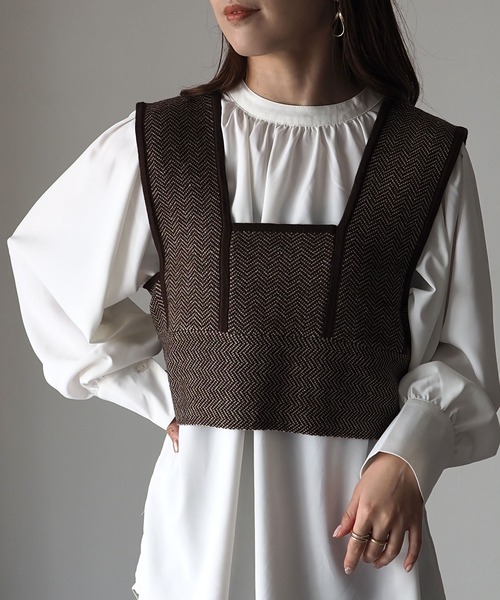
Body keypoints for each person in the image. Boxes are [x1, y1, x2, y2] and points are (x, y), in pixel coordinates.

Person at [8, 1, 500, 598]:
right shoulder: (166, 145)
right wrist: (169, 393)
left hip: (360, 553)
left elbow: (463, 359)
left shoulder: (422, 158)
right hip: (204, 552)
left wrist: (407, 457)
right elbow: (48, 271)